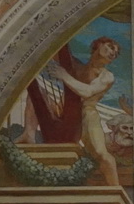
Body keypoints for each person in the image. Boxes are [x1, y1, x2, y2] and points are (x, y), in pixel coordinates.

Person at [45, 37, 123, 187]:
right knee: (36, 95)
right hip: (64, 108)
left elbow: (87, 92)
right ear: (98, 45)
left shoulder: (107, 76)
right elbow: (52, 51)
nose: (114, 52)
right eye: (111, 47)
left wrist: (64, 76)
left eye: (116, 52)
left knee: (101, 153)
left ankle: (115, 190)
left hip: (88, 113)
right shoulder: (78, 66)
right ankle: (28, 134)